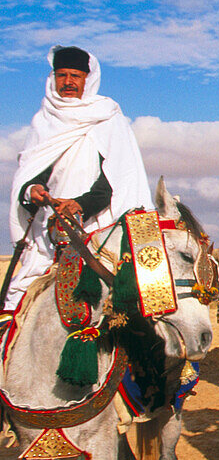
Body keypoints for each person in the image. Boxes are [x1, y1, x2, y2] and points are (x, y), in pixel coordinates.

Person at [3, 46, 152, 323]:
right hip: (49, 229)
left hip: (97, 225)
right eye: (62, 75)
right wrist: (32, 190)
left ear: (88, 79)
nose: (68, 82)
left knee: (124, 307)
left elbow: (117, 179)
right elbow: (33, 172)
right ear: (53, 78)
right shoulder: (42, 122)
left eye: (75, 76)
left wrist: (80, 204)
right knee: (17, 304)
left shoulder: (107, 117)